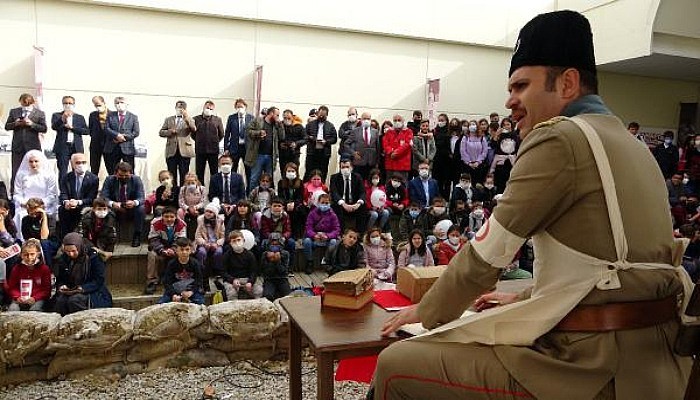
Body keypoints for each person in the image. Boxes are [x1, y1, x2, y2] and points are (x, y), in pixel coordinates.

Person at [374, 10, 693, 400]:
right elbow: (617, 268)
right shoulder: (636, 146)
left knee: (394, 365)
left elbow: (487, 255)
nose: (510, 101)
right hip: (656, 366)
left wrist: (426, 313)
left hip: (589, 368)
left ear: (568, 83)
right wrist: (528, 295)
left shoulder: (557, 138)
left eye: (521, 85)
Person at [53, 232, 112, 315]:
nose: (71, 254)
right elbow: (60, 278)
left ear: (79, 247)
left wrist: (83, 288)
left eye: (73, 251)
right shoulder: (64, 259)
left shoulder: (93, 257)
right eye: (67, 251)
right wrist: (61, 286)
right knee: (60, 301)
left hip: (91, 291)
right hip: (71, 290)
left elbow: (99, 280)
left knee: (74, 301)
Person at [13, 150, 59, 241]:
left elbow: (52, 195)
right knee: (21, 215)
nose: (33, 164)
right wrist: (26, 203)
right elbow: (16, 194)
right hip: (25, 206)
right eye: (31, 161)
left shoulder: (49, 175)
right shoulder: (21, 175)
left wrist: (39, 204)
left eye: (36, 161)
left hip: (44, 206)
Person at [4, 93, 46, 192]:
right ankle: (14, 192)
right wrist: (16, 123)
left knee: (34, 170)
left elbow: (44, 129)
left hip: (33, 145)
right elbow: (7, 126)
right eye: (24, 104)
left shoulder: (39, 113)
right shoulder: (14, 111)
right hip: (18, 146)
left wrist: (32, 124)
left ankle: (35, 190)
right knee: (16, 170)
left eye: (28, 104)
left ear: (32, 103)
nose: (25, 106)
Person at [101, 162, 146, 247]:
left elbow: (141, 198)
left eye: (126, 176)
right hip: (115, 209)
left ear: (131, 173)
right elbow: (103, 197)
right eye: (121, 176)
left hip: (131, 208)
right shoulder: (109, 180)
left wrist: (134, 202)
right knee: (105, 209)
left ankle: (137, 235)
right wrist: (112, 203)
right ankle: (108, 236)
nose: (124, 178)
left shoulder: (136, 179)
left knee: (141, 208)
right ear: (116, 174)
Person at [145, 206, 186, 295]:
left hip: (174, 249)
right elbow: (153, 239)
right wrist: (162, 250)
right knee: (151, 255)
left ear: (175, 217)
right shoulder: (155, 223)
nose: (169, 219)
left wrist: (173, 249)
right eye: (166, 216)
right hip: (160, 248)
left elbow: (181, 240)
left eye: (171, 217)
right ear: (162, 216)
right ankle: (152, 282)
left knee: (183, 252)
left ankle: (177, 280)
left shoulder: (181, 225)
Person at [245, 106, 284, 193]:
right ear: (271, 113)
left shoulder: (276, 125)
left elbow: (282, 137)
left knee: (269, 179)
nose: (278, 117)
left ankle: (267, 199)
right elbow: (248, 131)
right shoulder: (258, 120)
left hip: (271, 156)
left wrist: (280, 125)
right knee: (254, 178)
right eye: (277, 115)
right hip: (258, 155)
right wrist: (258, 133)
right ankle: (251, 198)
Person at [58, 153, 98, 236]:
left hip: (84, 205)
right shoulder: (66, 177)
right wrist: (66, 202)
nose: (81, 165)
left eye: (83, 162)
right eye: (78, 163)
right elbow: (63, 193)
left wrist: (78, 202)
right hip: (69, 205)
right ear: (72, 164)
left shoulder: (93, 179)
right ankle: (65, 238)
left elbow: (91, 198)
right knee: (62, 210)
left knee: (85, 211)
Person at [6, 239, 51, 311]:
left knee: (35, 310)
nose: (29, 257)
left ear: (38, 254)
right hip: (19, 298)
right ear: (21, 255)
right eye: (25, 254)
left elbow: (46, 289)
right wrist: (17, 297)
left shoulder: (44, 269)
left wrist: (35, 298)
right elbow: (12, 287)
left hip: (37, 299)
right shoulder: (16, 269)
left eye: (32, 254)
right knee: (13, 309)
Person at [52, 96, 88, 182]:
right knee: (63, 171)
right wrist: (62, 119)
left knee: (77, 170)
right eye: (65, 103)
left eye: (70, 103)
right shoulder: (57, 115)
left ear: (73, 104)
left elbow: (86, 131)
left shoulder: (79, 117)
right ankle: (63, 192)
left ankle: (76, 191)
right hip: (62, 147)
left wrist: (72, 128)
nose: (68, 105)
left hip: (76, 147)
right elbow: (54, 127)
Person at [159, 100, 196, 185]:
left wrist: (186, 117)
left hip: (185, 150)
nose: (180, 109)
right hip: (171, 150)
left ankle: (183, 194)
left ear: (185, 109)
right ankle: (173, 194)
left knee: (184, 174)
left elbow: (193, 129)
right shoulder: (169, 119)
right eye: (178, 107)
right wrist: (169, 131)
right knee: (172, 174)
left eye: (182, 108)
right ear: (175, 108)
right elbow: (161, 132)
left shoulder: (190, 119)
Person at [217, 230, 262, 300]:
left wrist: (250, 282)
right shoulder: (227, 255)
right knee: (232, 294)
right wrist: (232, 280)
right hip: (232, 280)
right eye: (234, 241)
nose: (237, 243)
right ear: (230, 243)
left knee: (258, 291)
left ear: (243, 240)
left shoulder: (250, 255)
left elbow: (254, 271)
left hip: (247, 279)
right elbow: (223, 272)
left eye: (238, 240)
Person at [159, 237, 204, 304]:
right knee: (161, 303)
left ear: (191, 250)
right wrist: (173, 294)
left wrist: (191, 292)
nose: (184, 252)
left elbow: (199, 280)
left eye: (187, 249)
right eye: (181, 250)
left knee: (200, 302)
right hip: (175, 291)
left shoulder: (195, 263)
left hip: (190, 290)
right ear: (176, 251)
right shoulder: (171, 264)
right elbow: (167, 282)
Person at [303, 193, 340, 274]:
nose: (324, 205)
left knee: (334, 242)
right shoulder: (312, 213)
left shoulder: (333, 215)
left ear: (330, 204)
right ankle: (309, 262)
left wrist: (328, 236)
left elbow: (336, 230)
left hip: (326, 239)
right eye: (322, 202)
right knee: (306, 241)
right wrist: (314, 235)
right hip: (315, 238)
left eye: (326, 203)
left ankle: (327, 261)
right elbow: (308, 227)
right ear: (318, 203)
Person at [329, 158, 368, 235]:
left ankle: (360, 233)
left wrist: (358, 203)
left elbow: (362, 192)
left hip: (354, 204)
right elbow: (334, 192)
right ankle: (341, 233)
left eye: (347, 167)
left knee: (363, 207)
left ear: (351, 167)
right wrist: (343, 204)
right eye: (342, 167)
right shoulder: (334, 177)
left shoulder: (357, 177)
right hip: (341, 204)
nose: (345, 169)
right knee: (336, 206)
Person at [104, 96, 140, 174]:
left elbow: (136, 132)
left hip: (127, 148)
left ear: (127, 104)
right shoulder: (110, 115)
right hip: (112, 147)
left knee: (130, 171)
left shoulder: (133, 117)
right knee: (112, 172)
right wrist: (116, 135)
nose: (119, 104)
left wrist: (123, 137)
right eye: (117, 103)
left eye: (122, 102)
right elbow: (106, 128)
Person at [193, 100, 224, 184]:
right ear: (203, 108)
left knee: (214, 173)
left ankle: (213, 193)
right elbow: (193, 134)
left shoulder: (217, 119)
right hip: (200, 150)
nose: (208, 110)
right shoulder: (196, 119)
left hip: (213, 151)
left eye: (211, 109)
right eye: (207, 108)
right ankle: (200, 192)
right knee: (199, 173)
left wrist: (214, 142)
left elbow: (221, 134)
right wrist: (199, 140)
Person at [224, 98, 254, 185]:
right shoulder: (231, 118)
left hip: (247, 149)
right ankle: (233, 190)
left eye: (241, 106)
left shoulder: (251, 118)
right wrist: (226, 148)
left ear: (245, 107)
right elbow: (227, 134)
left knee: (249, 172)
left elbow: (254, 133)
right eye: (237, 107)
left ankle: (248, 192)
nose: (239, 108)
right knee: (233, 170)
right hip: (234, 148)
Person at [304, 105, 337, 181]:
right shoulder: (310, 124)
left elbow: (334, 139)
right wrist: (311, 138)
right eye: (320, 114)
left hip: (324, 153)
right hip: (312, 152)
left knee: (323, 172)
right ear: (318, 113)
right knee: (309, 172)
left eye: (323, 115)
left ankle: (321, 190)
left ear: (327, 115)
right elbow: (304, 135)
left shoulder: (330, 126)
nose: (321, 116)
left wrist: (326, 142)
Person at [209, 155, 245, 222]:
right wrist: (222, 205)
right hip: (219, 205)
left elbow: (242, 195)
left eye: (227, 163)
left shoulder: (238, 177)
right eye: (223, 164)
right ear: (219, 165)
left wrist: (234, 206)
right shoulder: (214, 178)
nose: (225, 165)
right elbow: (211, 196)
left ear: (232, 164)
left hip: (235, 205)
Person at [194, 199, 225, 277]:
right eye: (207, 211)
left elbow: (223, 236)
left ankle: (217, 270)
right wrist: (204, 243)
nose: (208, 213)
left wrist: (217, 243)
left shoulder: (220, 221)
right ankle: (200, 269)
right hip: (205, 242)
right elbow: (198, 236)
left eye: (211, 212)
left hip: (215, 242)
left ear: (215, 214)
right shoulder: (200, 220)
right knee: (201, 252)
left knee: (219, 252)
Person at [259, 233, 291, 302]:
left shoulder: (285, 254)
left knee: (288, 297)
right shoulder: (264, 255)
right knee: (267, 296)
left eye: (276, 245)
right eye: (272, 245)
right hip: (269, 279)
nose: (274, 246)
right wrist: (271, 261)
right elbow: (266, 272)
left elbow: (284, 271)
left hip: (282, 279)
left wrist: (278, 261)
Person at [277, 162, 305, 239]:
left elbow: (300, 197)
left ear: (296, 172)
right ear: (285, 172)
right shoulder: (281, 183)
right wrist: (287, 204)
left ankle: (297, 235)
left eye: (293, 171)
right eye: (288, 171)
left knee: (299, 211)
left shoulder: (300, 182)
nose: (290, 173)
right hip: (285, 204)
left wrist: (294, 204)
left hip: (296, 205)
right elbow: (280, 197)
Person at [382, 115, 413, 182]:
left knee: (403, 185)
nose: (397, 122)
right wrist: (391, 152)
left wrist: (396, 153)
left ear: (403, 121)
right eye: (395, 120)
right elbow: (385, 144)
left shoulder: (408, 131)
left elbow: (407, 145)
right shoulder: (388, 132)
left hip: (403, 165)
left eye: (399, 120)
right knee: (389, 185)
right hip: (391, 164)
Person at [178, 172, 208, 239]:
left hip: (198, 208)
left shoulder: (202, 189)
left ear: (196, 182)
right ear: (185, 183)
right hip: (186, 208)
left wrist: (196, 207)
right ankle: (182, 233)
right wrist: (188, 208)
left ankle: (201, 234)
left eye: (192, 182)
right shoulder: (183, 189)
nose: (190, 184)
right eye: (188, 183)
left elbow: (203, 202)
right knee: (179, 211)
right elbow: (181, 202)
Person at [460, 118, 490, 185]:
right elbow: (463, 151)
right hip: (467, 165)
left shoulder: (482, 138)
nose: (472, 126)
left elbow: (484, 151)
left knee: (478, 184)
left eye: (473, 124)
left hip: (479, 165)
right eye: (470, 125)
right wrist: (469, 162)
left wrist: (478, 162)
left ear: (477, 126)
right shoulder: (465, 137)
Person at [433, 113, 453, 199]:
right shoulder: (435, 131)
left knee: (447, 181)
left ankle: (446, 199)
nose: (440, 122)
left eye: (442, 120)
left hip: (447, 161)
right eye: (439, 120)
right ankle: (438, 198)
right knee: (438, 181)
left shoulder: (449, 132)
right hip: (437, 160)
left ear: (446, 121)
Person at [88, 96, 109, 176]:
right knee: (94, 169)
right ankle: (93, 187)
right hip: (95, 145)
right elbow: (90, 129)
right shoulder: (93, 115)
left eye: (99, 104)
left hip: (109, 145)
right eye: (95, 105)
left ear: (104, 103)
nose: (97, 107)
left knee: (111, 168)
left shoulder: (112, 114)